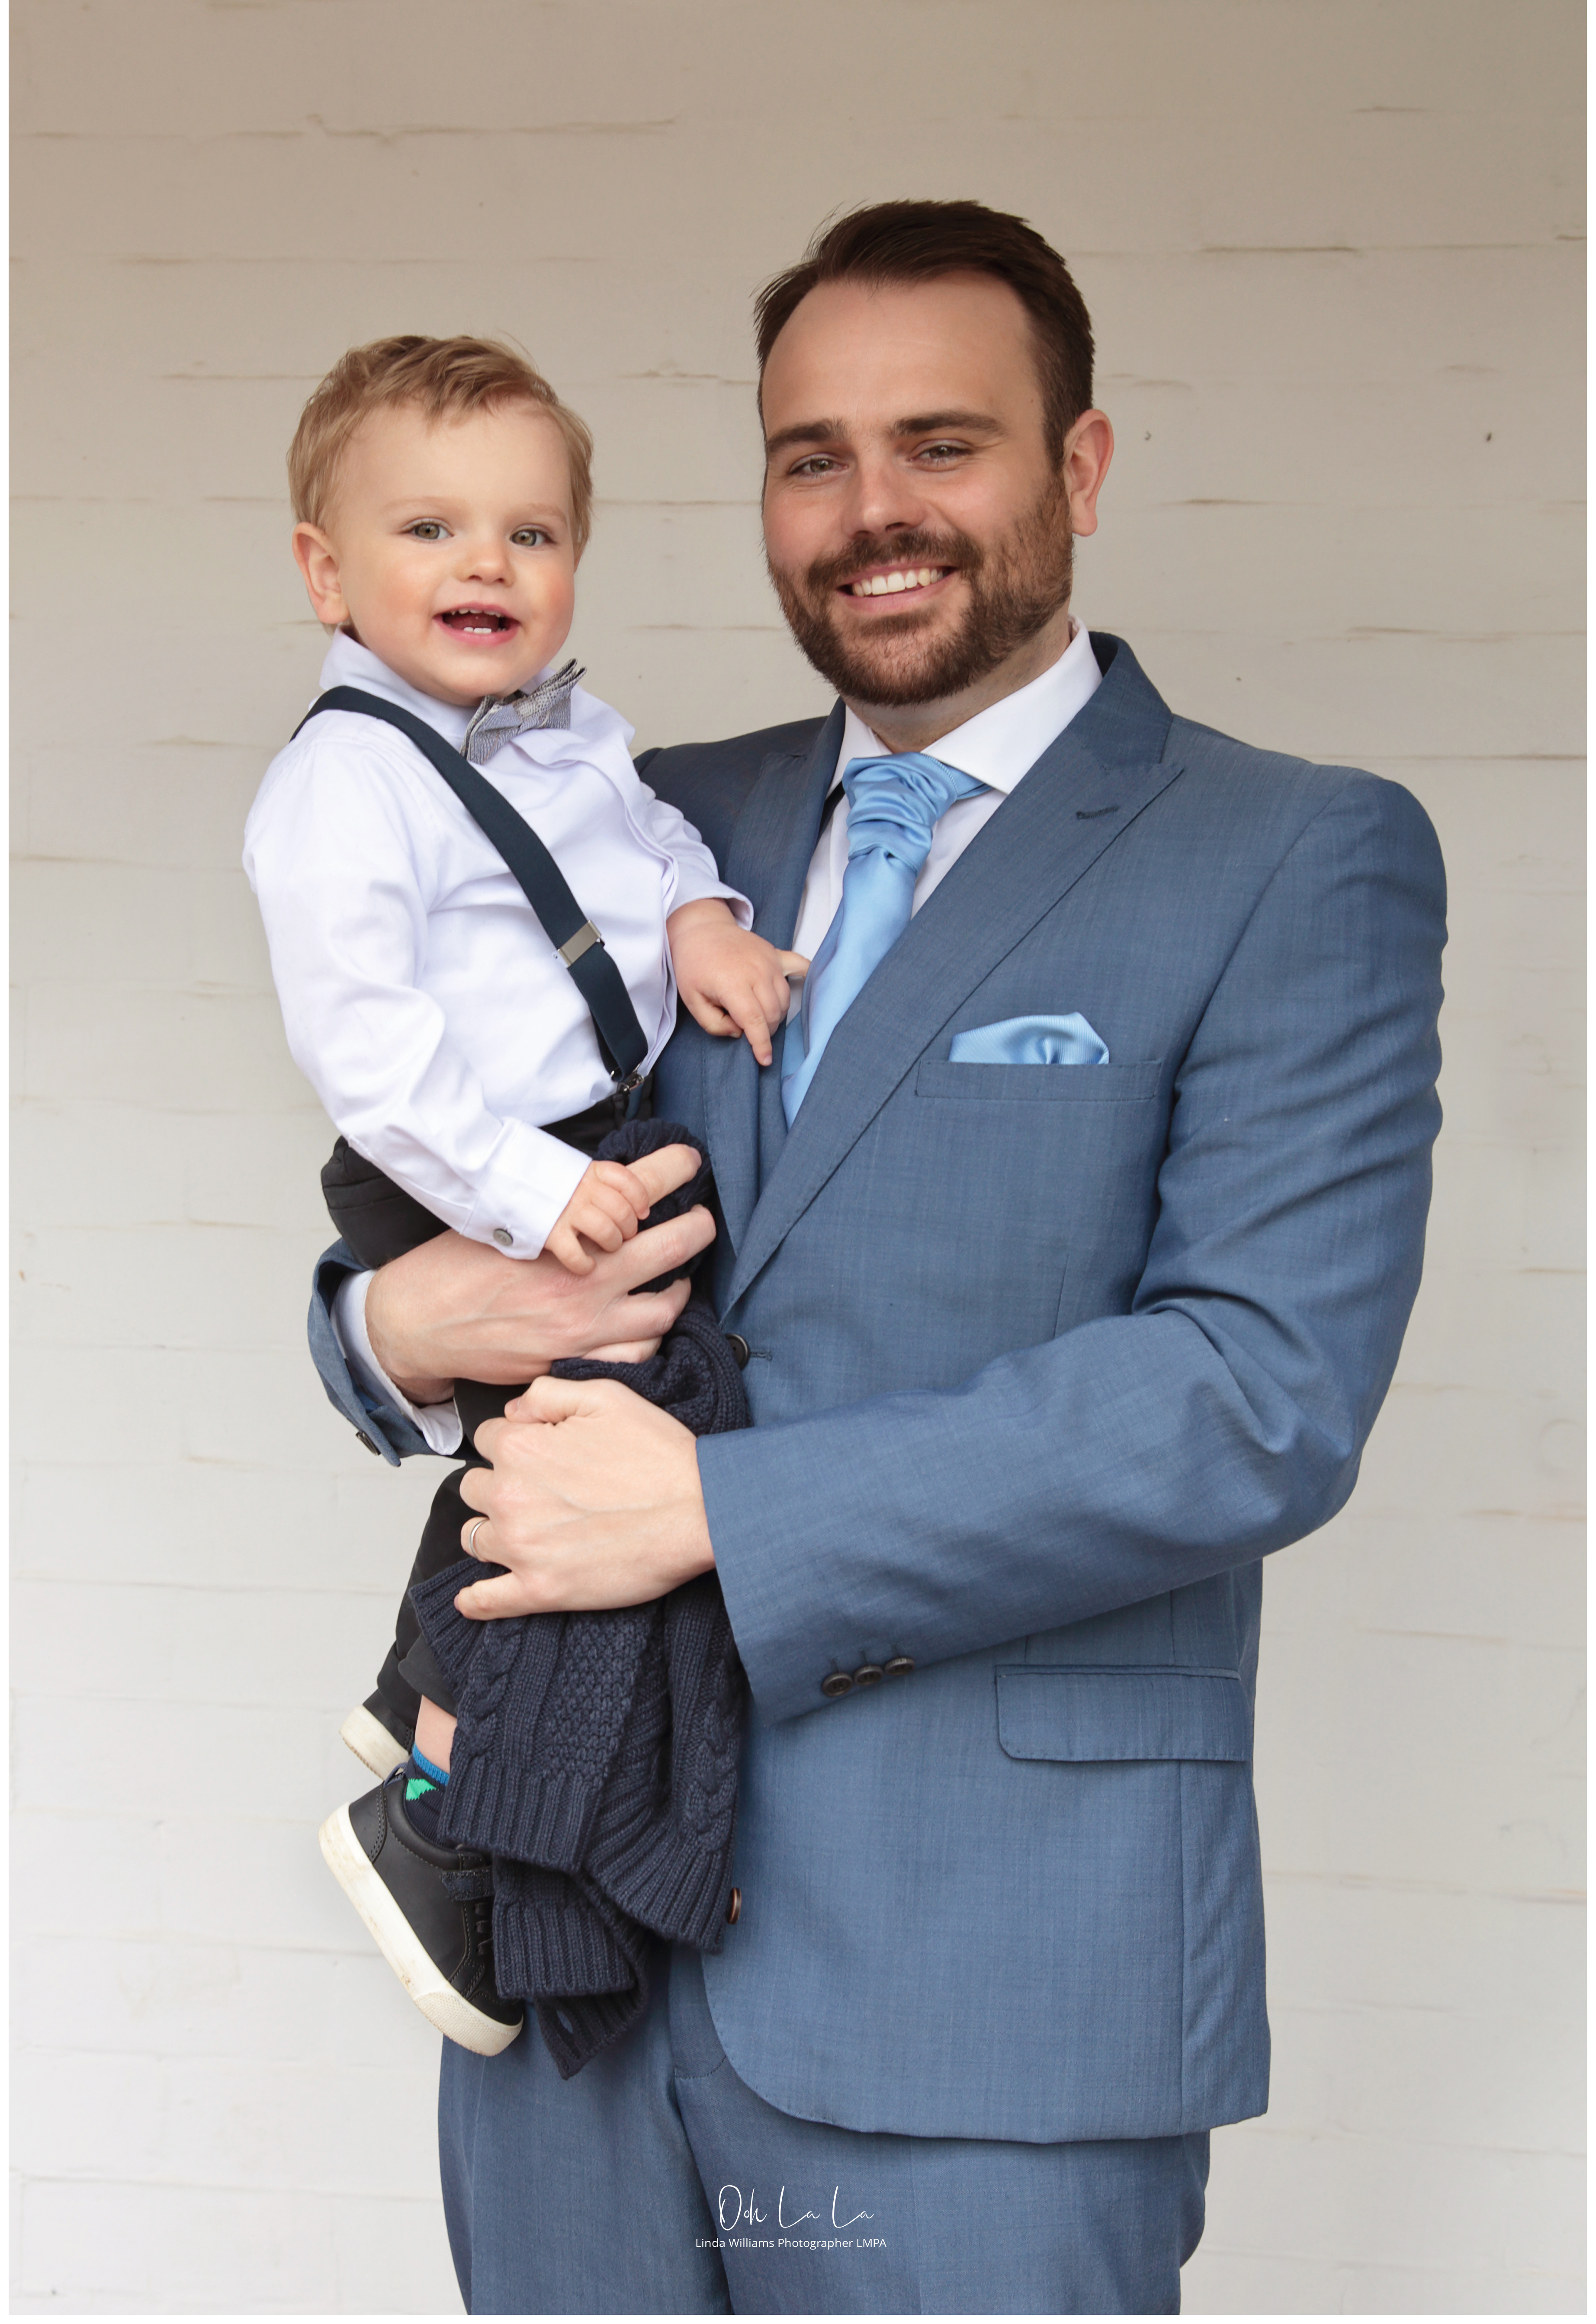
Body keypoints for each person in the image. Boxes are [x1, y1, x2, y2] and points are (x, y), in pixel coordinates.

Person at [308, 202, 1446, 2315]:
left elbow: (1254, 1389)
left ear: (1077, 467)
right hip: (570, 1961)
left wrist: (714, 1506)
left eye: (942, 442)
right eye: (809, 454)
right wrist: (390, 1324)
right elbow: (411, 1186)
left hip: (992, 1989)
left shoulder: (1291, 851)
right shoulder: (637, 814)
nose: (871, 512)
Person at [244, 333, 801, 2054]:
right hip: (459, 1166)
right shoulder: (335, 787)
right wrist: (523, 1191)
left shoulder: (570, 735)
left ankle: (422, 1713)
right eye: (428, 528)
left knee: (578, 1459)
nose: (486, 564)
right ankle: (438, 1809)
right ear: (323, 570)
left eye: (531, 532)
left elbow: (640, 857)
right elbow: (375, 1061)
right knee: (590, 1466)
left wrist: (701, 919)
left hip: (573, 1138)